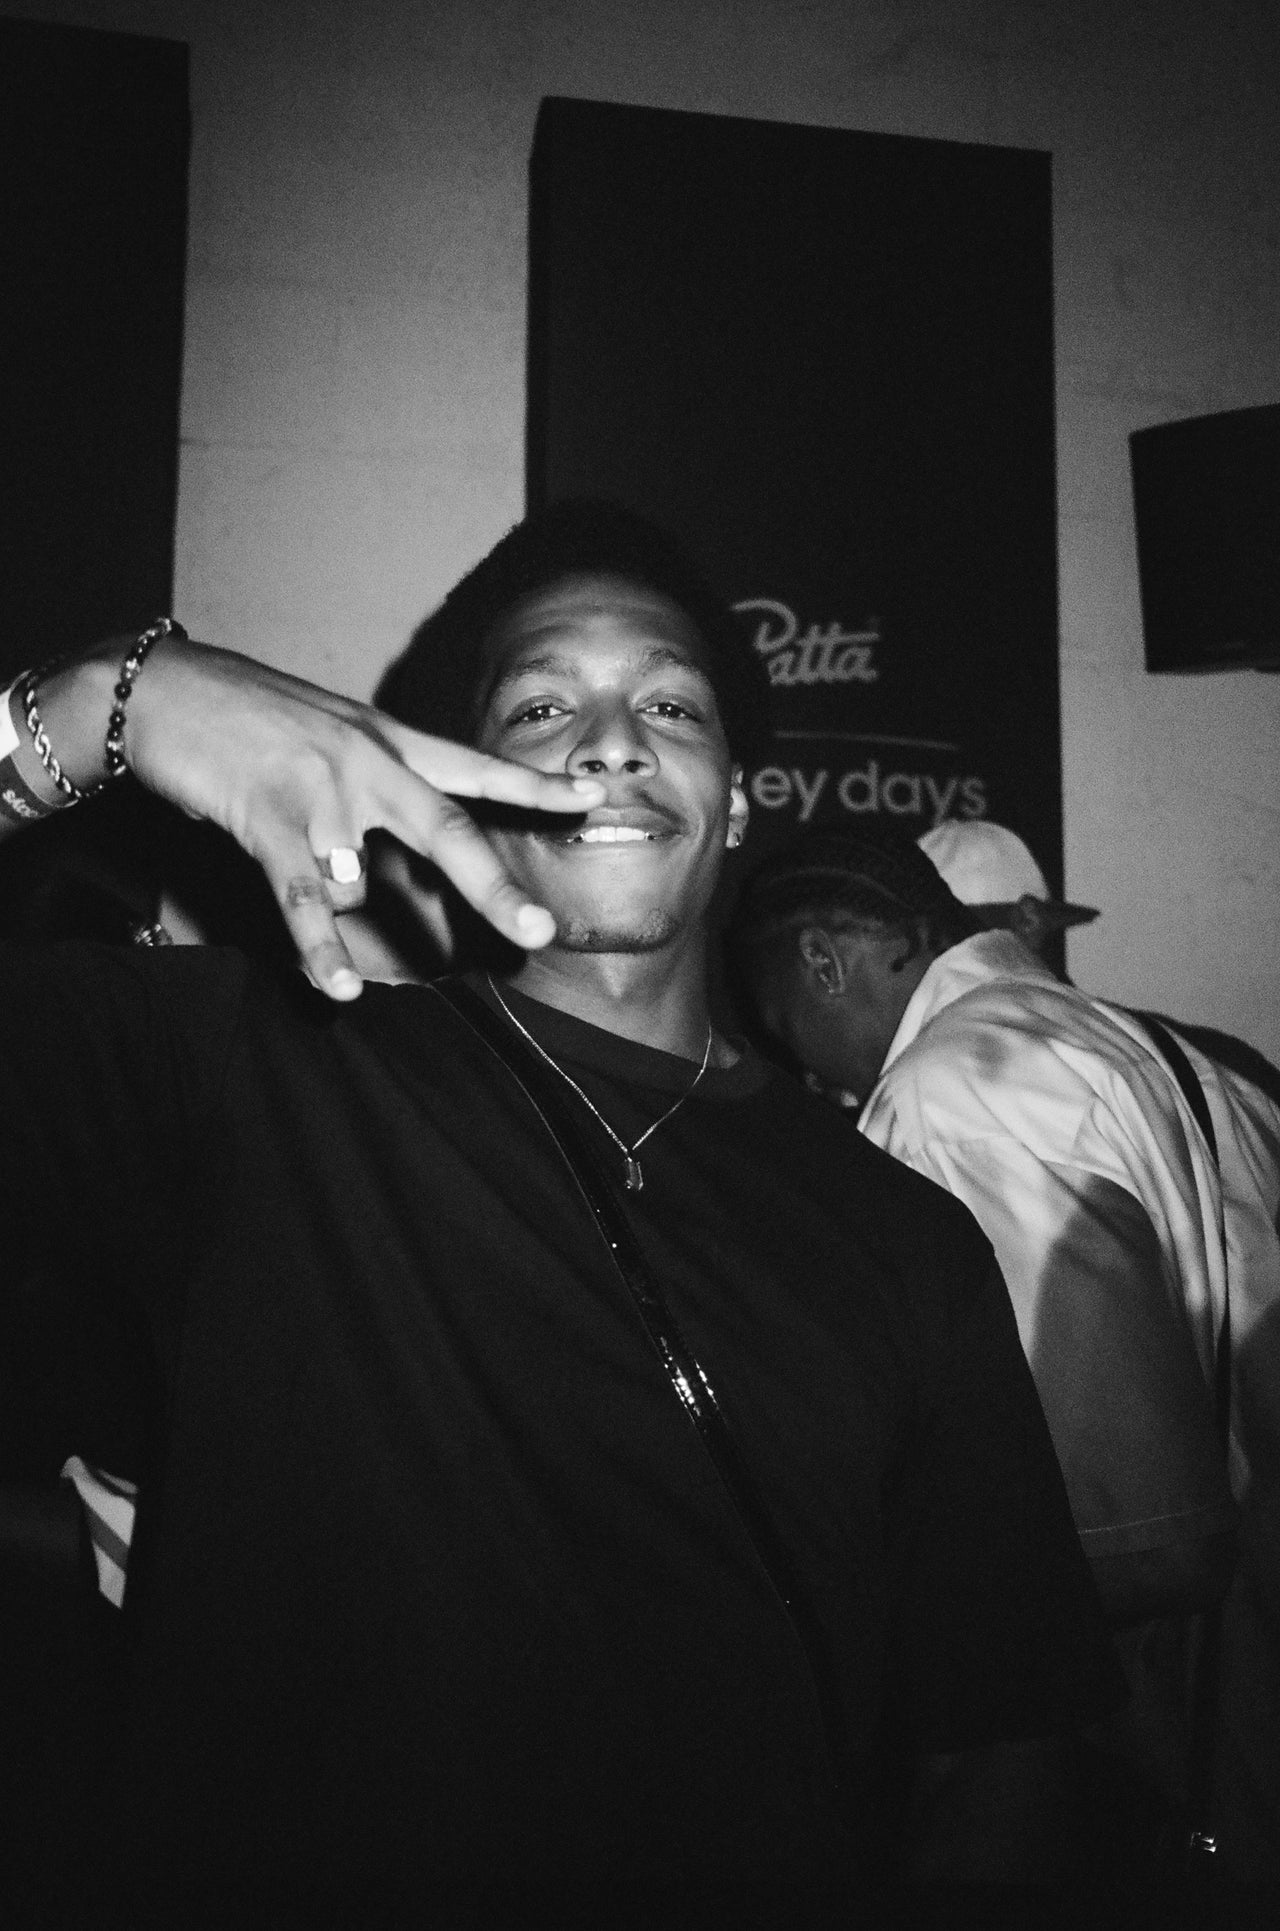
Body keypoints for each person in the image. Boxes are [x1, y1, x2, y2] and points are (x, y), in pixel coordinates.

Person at [0, 504, 1121, 1922]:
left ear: (737, 803)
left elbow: (1003, 1740)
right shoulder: (261, 1069)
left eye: (670, 704)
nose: (610, 741)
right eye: (542, 707)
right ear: (464, 794)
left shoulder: (906, 1236)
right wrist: (107, 702)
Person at [728, 824, 1273, 1885]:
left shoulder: (954, 1090)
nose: (811, 1074)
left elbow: (1145, 1542)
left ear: (823, 963)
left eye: (790, 1033)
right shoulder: (1173, 1053)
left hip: (1173, 1764)